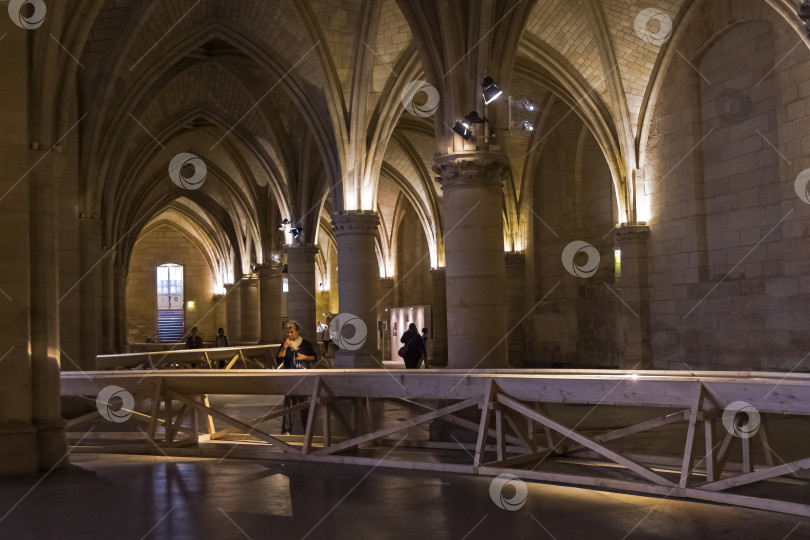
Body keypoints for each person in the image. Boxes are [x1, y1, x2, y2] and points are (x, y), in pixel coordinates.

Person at [276, 320, 317, 435]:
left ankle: (308, 431)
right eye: (287, 332)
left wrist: (306, 357)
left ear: (297, 331)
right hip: (290, 378)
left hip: (304, 378)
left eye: (292, 332)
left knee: (306, 406)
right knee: (289, 405)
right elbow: (279, 359)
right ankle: (287, 431)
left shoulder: (306, 344)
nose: (289, 335)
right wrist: (284, 348)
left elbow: (315, 357)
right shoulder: (285, 345)